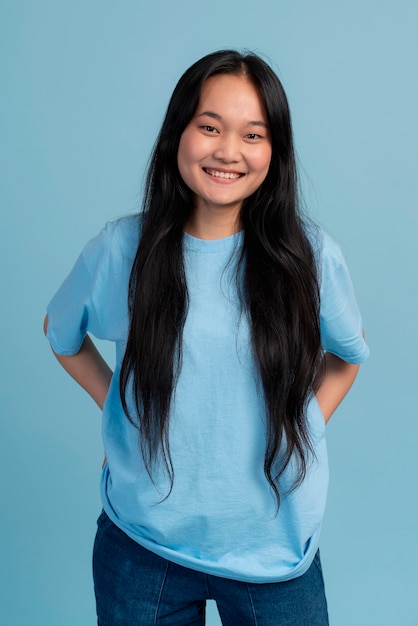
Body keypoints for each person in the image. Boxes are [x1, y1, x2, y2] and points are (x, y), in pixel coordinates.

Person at [44, 50, 369, 625]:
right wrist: (118, 410)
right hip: (142, 546)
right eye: (210, 127)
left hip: (274, 552)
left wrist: (305, 426)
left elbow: (347, 354)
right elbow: (61, 331)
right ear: (179, 133)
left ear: (275, 150)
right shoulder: (123, 249)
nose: (228, 151)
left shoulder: (309, 257)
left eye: (253, 134)